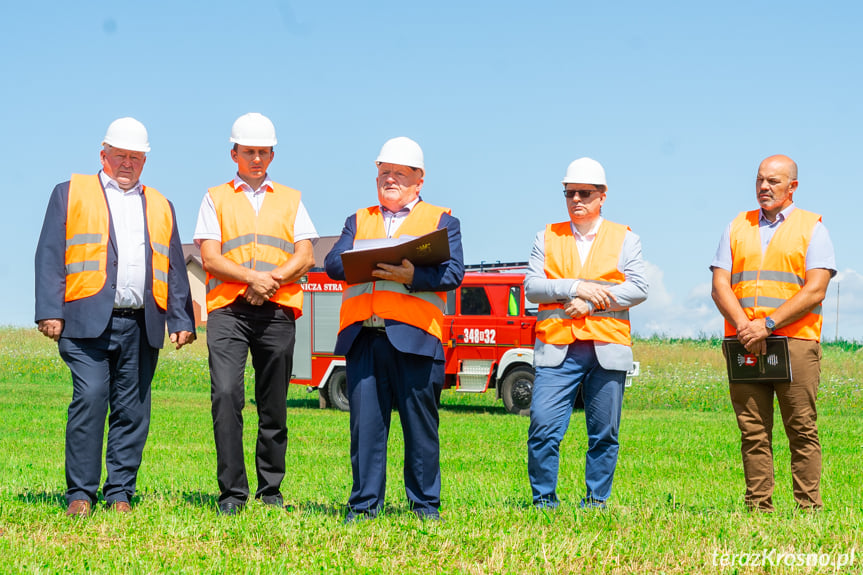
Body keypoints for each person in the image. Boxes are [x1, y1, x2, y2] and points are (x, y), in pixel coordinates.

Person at [35, 117, 196, 518]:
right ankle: (80, 494)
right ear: (103, 154)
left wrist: (181, 319)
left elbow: (174, 266)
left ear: (145, 160)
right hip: (84, 318)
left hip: (142, 323)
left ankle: (120, 492)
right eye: (120, 155)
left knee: (133, 409)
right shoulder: (69, 192)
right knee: (90, 398)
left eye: (135, 157)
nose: (127, 162)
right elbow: (50, 255)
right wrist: (50, 311)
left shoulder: (161, 205)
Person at [324, 137, 464, 523]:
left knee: (420, 428)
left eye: (399, 174)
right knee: (366, 428)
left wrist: (411, 275)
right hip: (364, 336)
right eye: (384, 173)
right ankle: (365, 506)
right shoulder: (358, 219)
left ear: (419, 180)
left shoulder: (442, 220)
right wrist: (369, 262)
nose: (390, 180)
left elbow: (453, 273)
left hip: (416, 338)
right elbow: (335, 263)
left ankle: (424, 507)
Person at [194, 113, 317, 516]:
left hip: (277, 309)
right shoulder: (215, 197)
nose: (257, 159)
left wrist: (271, 280)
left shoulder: (291, 198)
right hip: (229, 310)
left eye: (264, 152)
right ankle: (232, 492)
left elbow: (305, 255)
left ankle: (270, 490)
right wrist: (250, 278)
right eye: (249, 151)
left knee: (273, 402)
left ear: (273, 154)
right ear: (234, 153)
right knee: (227, 394)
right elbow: (210, 257)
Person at [710, 154, 835, 512]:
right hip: (743, 342)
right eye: (760, 180)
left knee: (801, 429)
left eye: (774, 182)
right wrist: (745, 328)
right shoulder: (737, 225)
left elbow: (816, 289)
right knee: (753, 431)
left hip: (794, 342)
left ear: (792, 187)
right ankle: (758, 507)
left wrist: (766, 324)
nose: (764, 187)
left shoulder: (813, 227)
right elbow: (720, 284)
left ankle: (808, 508)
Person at [525, 157, 647, 510]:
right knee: (543, 429)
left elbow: (639, 288)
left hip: (607, 346)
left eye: (585, 193)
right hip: (556, 346)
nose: (576, 199)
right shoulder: (546, 236)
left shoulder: (625, 238)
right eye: (569, 193)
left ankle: (596, 501)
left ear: (602, 195)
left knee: (604, 433)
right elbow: (532, 287)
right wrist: (576, 287)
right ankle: (544, 501)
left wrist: (591, 303)